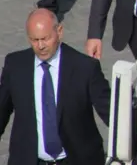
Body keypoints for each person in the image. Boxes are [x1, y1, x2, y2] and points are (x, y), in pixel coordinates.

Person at [0, 9, 111, 165]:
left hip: (76, 159)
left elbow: (110, 111)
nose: (40, 46)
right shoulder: (16, 66)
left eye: (45, 39)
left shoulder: (84, 68)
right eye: (34, 40)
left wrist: (132, 138)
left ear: (59, 31)